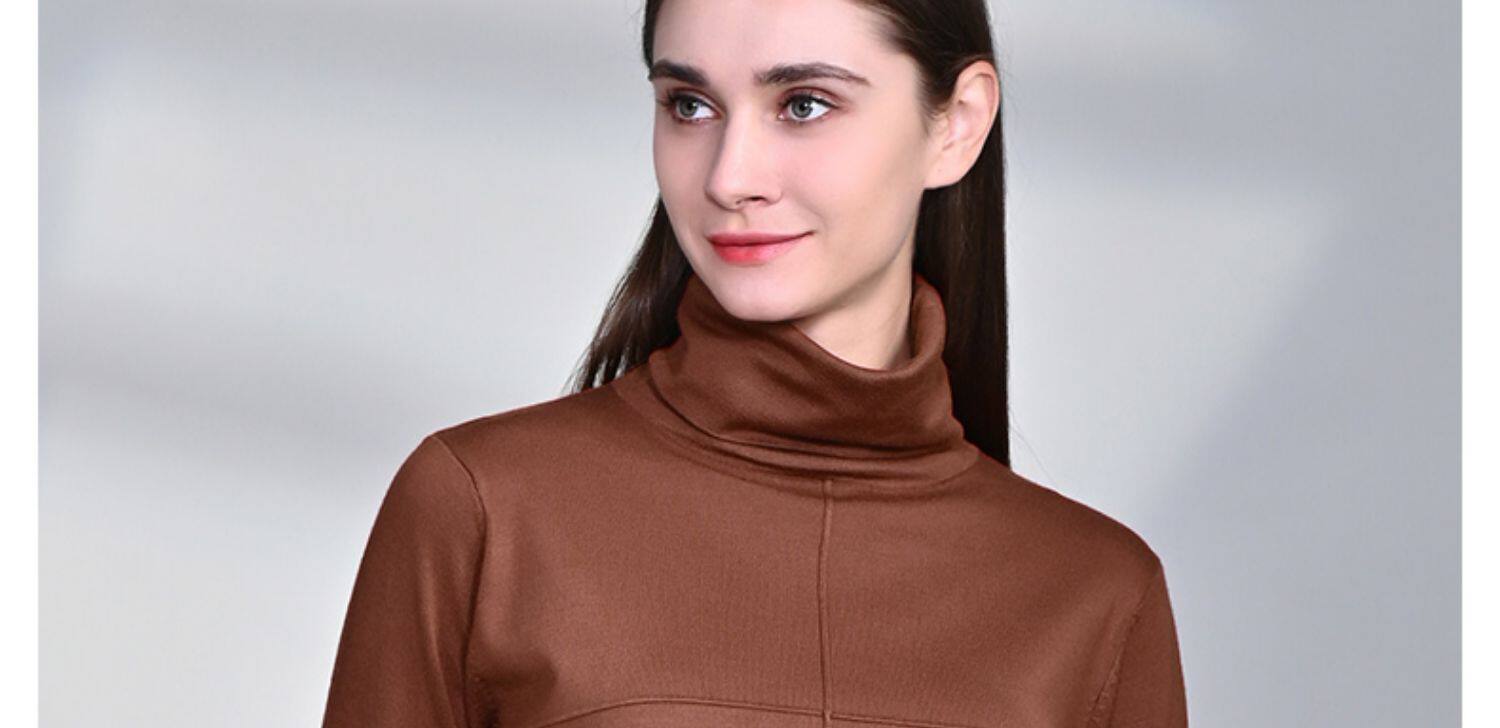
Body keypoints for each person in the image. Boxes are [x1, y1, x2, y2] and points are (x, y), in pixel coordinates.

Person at [321, 0, 1188, 726]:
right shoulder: (484, 511)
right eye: (690, 106)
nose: (730, 177)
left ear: (956, 125)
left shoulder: (1096, 595)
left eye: (804, 104)